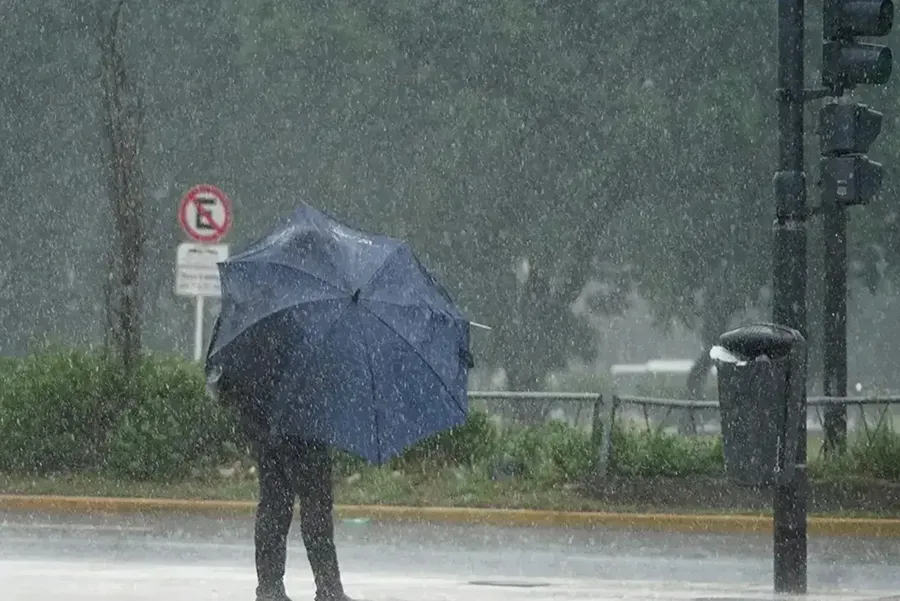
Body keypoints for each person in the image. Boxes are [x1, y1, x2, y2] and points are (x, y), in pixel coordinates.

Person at [206, 316, 352, 601]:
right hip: (301, 421)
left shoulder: (248, 310)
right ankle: (327, 588)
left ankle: (271, 589)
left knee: (276, 502)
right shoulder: (309, 316)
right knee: (314, 504)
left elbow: (223, 376)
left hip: (265, 421)